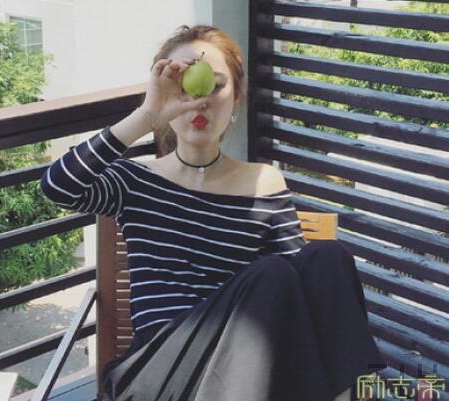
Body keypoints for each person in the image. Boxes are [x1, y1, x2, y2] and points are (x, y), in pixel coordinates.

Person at [40, 24, 386, 401]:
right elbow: (58, 186)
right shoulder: (135, 179)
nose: (199, 100)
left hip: (235, 375)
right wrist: (148, 115)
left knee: (326, 257)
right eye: (182, 87)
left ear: (236, 97)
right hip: (155, 376)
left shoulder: (263, 183)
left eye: (214, 86)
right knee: (271, 273)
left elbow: (301, 298)